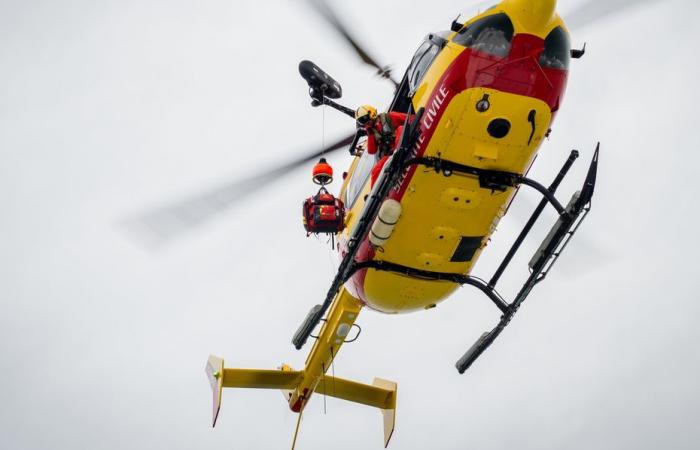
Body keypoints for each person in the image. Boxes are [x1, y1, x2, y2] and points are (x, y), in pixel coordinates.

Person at [355, 105, 408, 186]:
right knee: (376, 170)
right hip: (392, 156)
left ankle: (400, 152)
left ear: (371, 113)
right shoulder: (372, 132)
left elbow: (411, 119)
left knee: (400, 129)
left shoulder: (390, 116)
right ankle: (374, 196)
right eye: (362, 122)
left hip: (404, 144)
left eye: (365, 119)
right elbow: (372, 151)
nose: (365, 122)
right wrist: (370, 134)